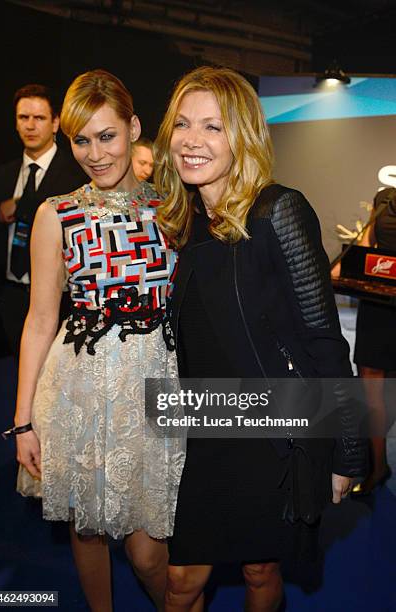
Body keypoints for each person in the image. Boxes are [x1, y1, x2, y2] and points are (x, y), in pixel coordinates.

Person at [154, 66, 366, 611]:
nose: (192, 140)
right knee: (181, 580)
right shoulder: (186, 220)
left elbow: (323, 339)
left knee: (259, 567)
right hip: (208, 425)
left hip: (273, 428)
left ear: (242, 136)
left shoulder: (277, 211)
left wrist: (346, 452)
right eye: (182, 124)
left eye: (213, 127)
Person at [9, 70, 185, 612]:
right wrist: (22, 420)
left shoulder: (174, 211)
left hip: (154, 389)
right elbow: (40, 320)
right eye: (80, 140)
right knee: (87, 531)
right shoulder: (55, 214)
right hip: (79, 388)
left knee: (150, 554)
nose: (94, 153)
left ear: (133, 128)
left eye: (106, 136)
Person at [0, 84, 86, 356]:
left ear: (55, 123)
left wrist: (21, 206)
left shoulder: (76, 175)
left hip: (57, 300)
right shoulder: (3, 175)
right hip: (6, 296)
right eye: (23, 118)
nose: (30, 126)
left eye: (39, 118)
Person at [351, 187, 395, 496]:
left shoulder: (384, 198)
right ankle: (377, 465)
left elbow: (367, 245)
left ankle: (377, 466)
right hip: (378, 304)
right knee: (376, 393)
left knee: (373, 393)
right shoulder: (383, 198)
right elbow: (366, 245)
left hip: (380, 300)